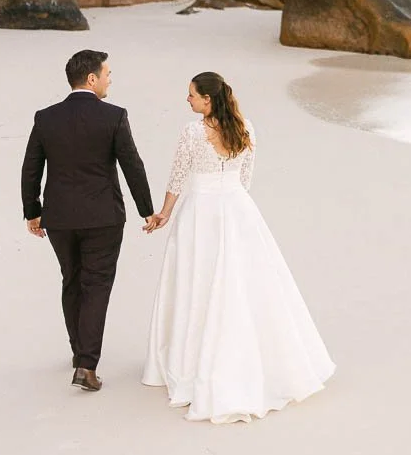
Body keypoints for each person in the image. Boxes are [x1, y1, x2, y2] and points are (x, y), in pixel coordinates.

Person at [142, 70, 334, 424]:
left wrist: (164, 214)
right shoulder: (247, 129)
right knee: (243, 285)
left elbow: (178, 178)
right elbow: (245, 179)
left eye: (191, 95)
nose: (187, 101)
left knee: (196, 283)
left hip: (199, 213)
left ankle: (192, 360)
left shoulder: (191, 132)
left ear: (207, 100)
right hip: (236, 210)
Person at [21, 50, 155, 393]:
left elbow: (31, 169)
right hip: (103, 217)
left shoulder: (46, 117)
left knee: (72, 279)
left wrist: (32, 211)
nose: (110, 79)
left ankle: (78, 350)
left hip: (60, 218)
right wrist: (146, 210)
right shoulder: (113, 116)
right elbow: (132, 165)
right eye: (107, 74)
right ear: (92, 79)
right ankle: (87, 365)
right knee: (96, 285)